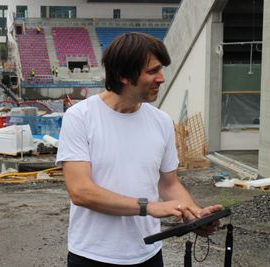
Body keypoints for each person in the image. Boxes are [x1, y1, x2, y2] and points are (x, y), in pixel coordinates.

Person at [56, 32, 223, 266]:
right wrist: (149, 207)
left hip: (149, 254)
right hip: (92, 255)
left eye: (161, 69)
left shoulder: (162, 121)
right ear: (124, 75)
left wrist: (195, 215)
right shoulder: (80, 117)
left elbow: (169, 184)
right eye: (153, 71)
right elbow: (81, 191)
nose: (161, 78)